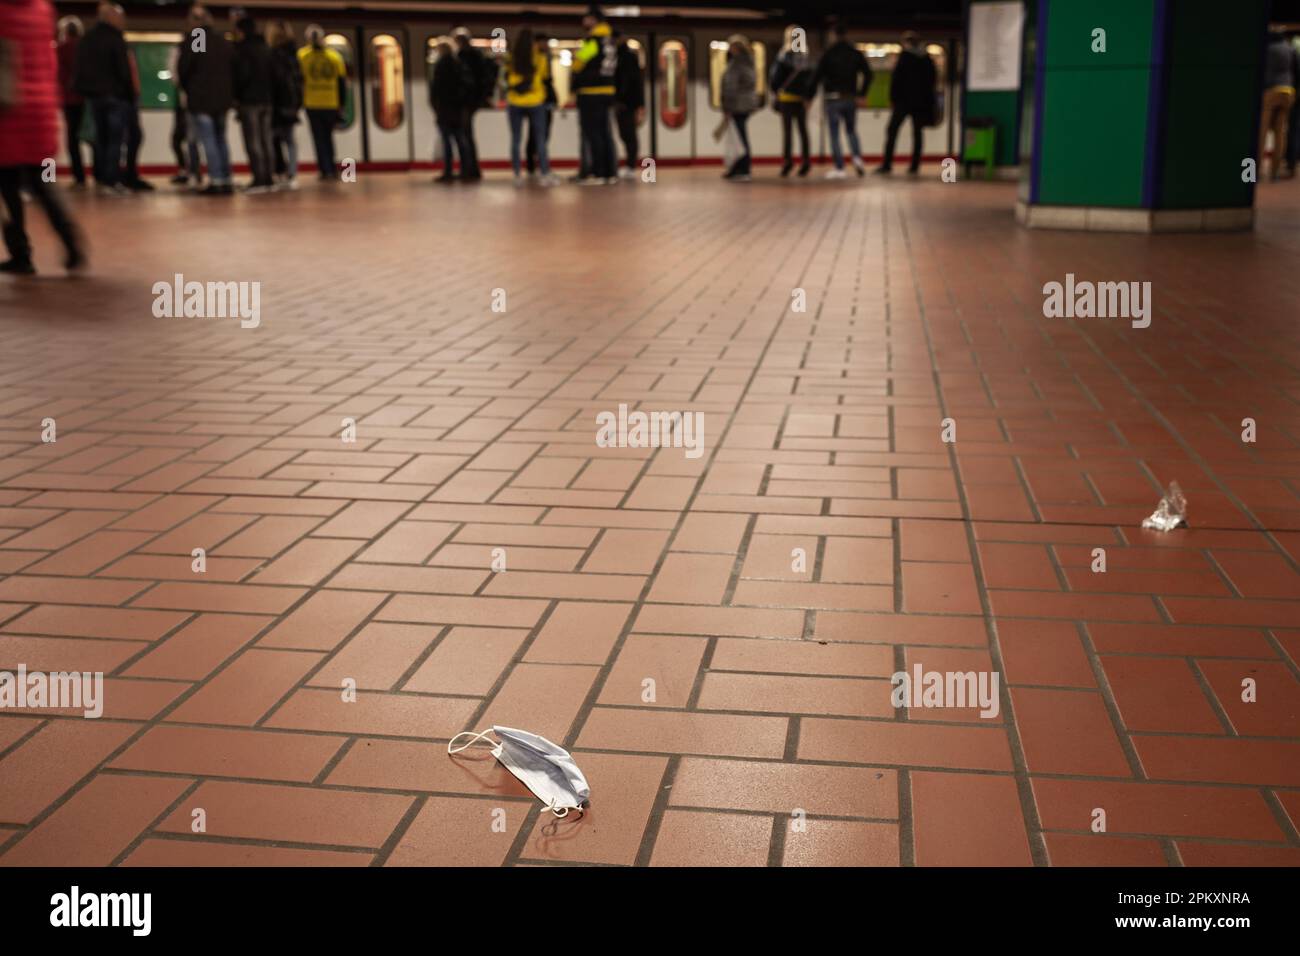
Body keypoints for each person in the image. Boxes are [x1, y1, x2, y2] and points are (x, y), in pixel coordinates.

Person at [0, 0, 86, 274]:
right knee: (44, 183)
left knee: (7, 188)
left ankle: (21, 254)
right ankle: (71, 241)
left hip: (8, 112)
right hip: (40, 111)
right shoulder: (42, 9)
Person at [74, 2, 133, 194]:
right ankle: (111, 180)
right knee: (115, 140)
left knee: (100, 139)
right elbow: (124, 70)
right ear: (111, 17)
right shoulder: (116, 39)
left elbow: (81, 68)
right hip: (115, 96)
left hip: (95, 97)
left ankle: (100, 176)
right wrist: (129, 94)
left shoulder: (88, 39)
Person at [179, 4, 234, 194]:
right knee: (221, 139)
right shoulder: (221, 39)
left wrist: (189, 89)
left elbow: (188, 67)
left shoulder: (199, 37)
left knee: (209, 140)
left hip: (203, 99)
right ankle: (226, 178)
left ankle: (217, 179)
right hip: (222, 98)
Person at [810, 19, 870, 179]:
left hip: (833, 99)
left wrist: (808, 97)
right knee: (851, 131)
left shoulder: (828, 53)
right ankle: (857, 158)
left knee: (835, 134)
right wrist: (862, 94)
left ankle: (839, 168)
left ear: (833, 35)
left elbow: (816, 76)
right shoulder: (855, 53)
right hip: (850, 98)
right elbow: (869, 74)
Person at [876, 31, 936, 176]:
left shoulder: (904, 57)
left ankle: (887, 164)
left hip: (903, 102)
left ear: (907, 43)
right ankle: (915, 166)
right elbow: (932, 80)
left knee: (892, 130)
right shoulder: (927, 59)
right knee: (917, 134)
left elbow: (896, 80)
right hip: (920, 103)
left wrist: (892, 99)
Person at [504, 28, 557, 186]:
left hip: (515, 101)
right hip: (535, 101)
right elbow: (546, 77)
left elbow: (507, 79)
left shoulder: (510, 57)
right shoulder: (540, 57)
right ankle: (544, 174)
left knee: (515, 140)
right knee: (540, 139)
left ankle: (517, 175)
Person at [572, 9, 618, 184]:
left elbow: (578, 64)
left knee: (593, 133)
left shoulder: (592, 41)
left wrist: (576, 59)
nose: (584, 22)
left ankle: (597, 172)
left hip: (590, 92)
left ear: (593, 20)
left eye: (586, 18)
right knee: (605, 132)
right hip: (607, 91)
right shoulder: (610, 40)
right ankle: (609, 172)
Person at [298, 25, 347, 181]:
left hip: (312, 102)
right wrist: (342, 104)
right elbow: (341, 83)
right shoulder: (334, 57)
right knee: (328, 136)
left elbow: (298, 80)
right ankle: (331, 167)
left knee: (318, 137)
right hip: (331, 102)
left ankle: (324, 169)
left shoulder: (302, 56)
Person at [233, 15, 275, 192]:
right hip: (267, 100)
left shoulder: (242, 49)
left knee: (253, 141)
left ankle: (258, 178)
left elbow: (242, 75)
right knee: (266, 140)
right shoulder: (266, 47)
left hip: (249, 101)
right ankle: (268, 178)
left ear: (241, 31)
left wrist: (237, 96)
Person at [770, 24, 813, 178]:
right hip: (801, 100)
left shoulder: (783, 56)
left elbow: (775, 79)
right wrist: (808, 97)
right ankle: (806, 162)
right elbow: (810, 80)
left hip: (786, 98)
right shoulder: (805, 57)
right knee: (803, 131)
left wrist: (775, 91)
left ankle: (787, 162)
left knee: (788, 132)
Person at [452, 26, 494, 182]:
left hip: (466, 101)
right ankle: (471, 168)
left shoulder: (462, 57)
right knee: (467, 136)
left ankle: (469, 169)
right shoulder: (478, 55)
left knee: (465, 135)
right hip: (473, 100)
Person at [266, 20, 302, 189]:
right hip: (291, 103)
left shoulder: (271, 55)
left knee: (275, 139)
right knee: (290, 140)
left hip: (276, 103)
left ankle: (280, 172)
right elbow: (299, 81)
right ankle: (292, 174)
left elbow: (273, 82)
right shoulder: (294, 55)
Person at [719, 35, 757, 182]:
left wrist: (727, 106)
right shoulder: (749, 62)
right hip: (745, 104)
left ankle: (743, 168)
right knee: (740, 136)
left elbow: (730, 87)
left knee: (739, 138)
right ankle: (738, 168)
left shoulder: (736, 64)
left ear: (735, 48)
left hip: (737, 105)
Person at [429, 39, 467, 182]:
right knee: (460, 140)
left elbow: (436, 89)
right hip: (457, 109)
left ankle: (448, 171)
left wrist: (435, 106)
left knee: (447, 141)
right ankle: (464, 169)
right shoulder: (458, 64)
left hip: (444, 109)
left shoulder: (440, 66)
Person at [1260, 31, 1296, 182]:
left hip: (1270, 91)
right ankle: (1274, 174)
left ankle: (1252, 174)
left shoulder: (1266, 49)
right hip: (1288, 91)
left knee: (1261, 132)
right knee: (1280, 132)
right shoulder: (1290, 48)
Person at [56, 16, 87, 187]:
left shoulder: (60, 49)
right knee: (94, 137)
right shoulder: (86, 48)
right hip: (88, 98)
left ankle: (79, 176)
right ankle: (101, 175)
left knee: (72, 139)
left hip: (68, 99)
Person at [612, 30, 644, 179]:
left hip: (626, 103)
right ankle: (629, 165)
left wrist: (622, 99)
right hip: (623, 102)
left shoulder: (628, 58)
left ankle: (631, 166)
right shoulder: (617, 57)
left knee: (628, 134)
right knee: (624, 133)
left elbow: (633, 82)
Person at [524, 32, 556, 177]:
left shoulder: (547, 58)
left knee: (544, 134)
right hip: (535, 101)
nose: (545, 45)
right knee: (534, 134)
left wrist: (552, 99)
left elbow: (549, 82)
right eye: (542, 42)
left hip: (546, 101)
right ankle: (532, 165)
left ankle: (541, 164)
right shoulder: (533, 59)